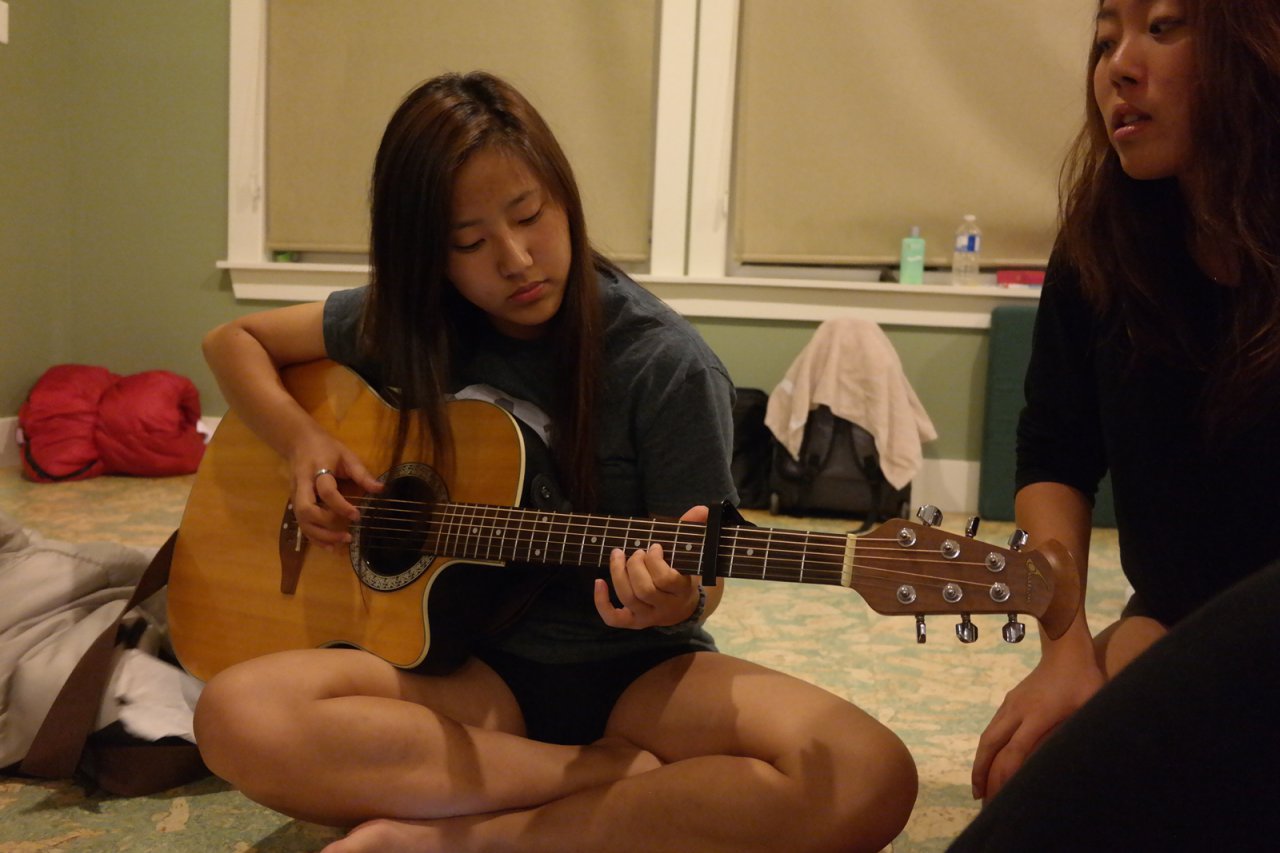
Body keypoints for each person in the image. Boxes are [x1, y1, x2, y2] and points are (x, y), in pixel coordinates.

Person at [194, 71, 917, 853]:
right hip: (462, 669)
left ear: (564, 199)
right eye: (469, 243)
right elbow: (235, 341)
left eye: (530, 215)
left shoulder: (663, 362)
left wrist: (676, 595)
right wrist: (302, 441)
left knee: (867, 773)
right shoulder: (415, 322)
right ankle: (595, 778)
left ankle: (463, 836)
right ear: (428, 256)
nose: (515, 258)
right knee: (237, 715)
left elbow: (702, 572)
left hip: (634, 675)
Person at [971, 0, 1280, 804]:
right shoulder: (1100, 245)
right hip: (1181, 619)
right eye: (1106, 40)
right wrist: (1066, 647)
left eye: (1164, 27)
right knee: (1024, 774)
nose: (1118, 67)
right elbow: (1054, 453)